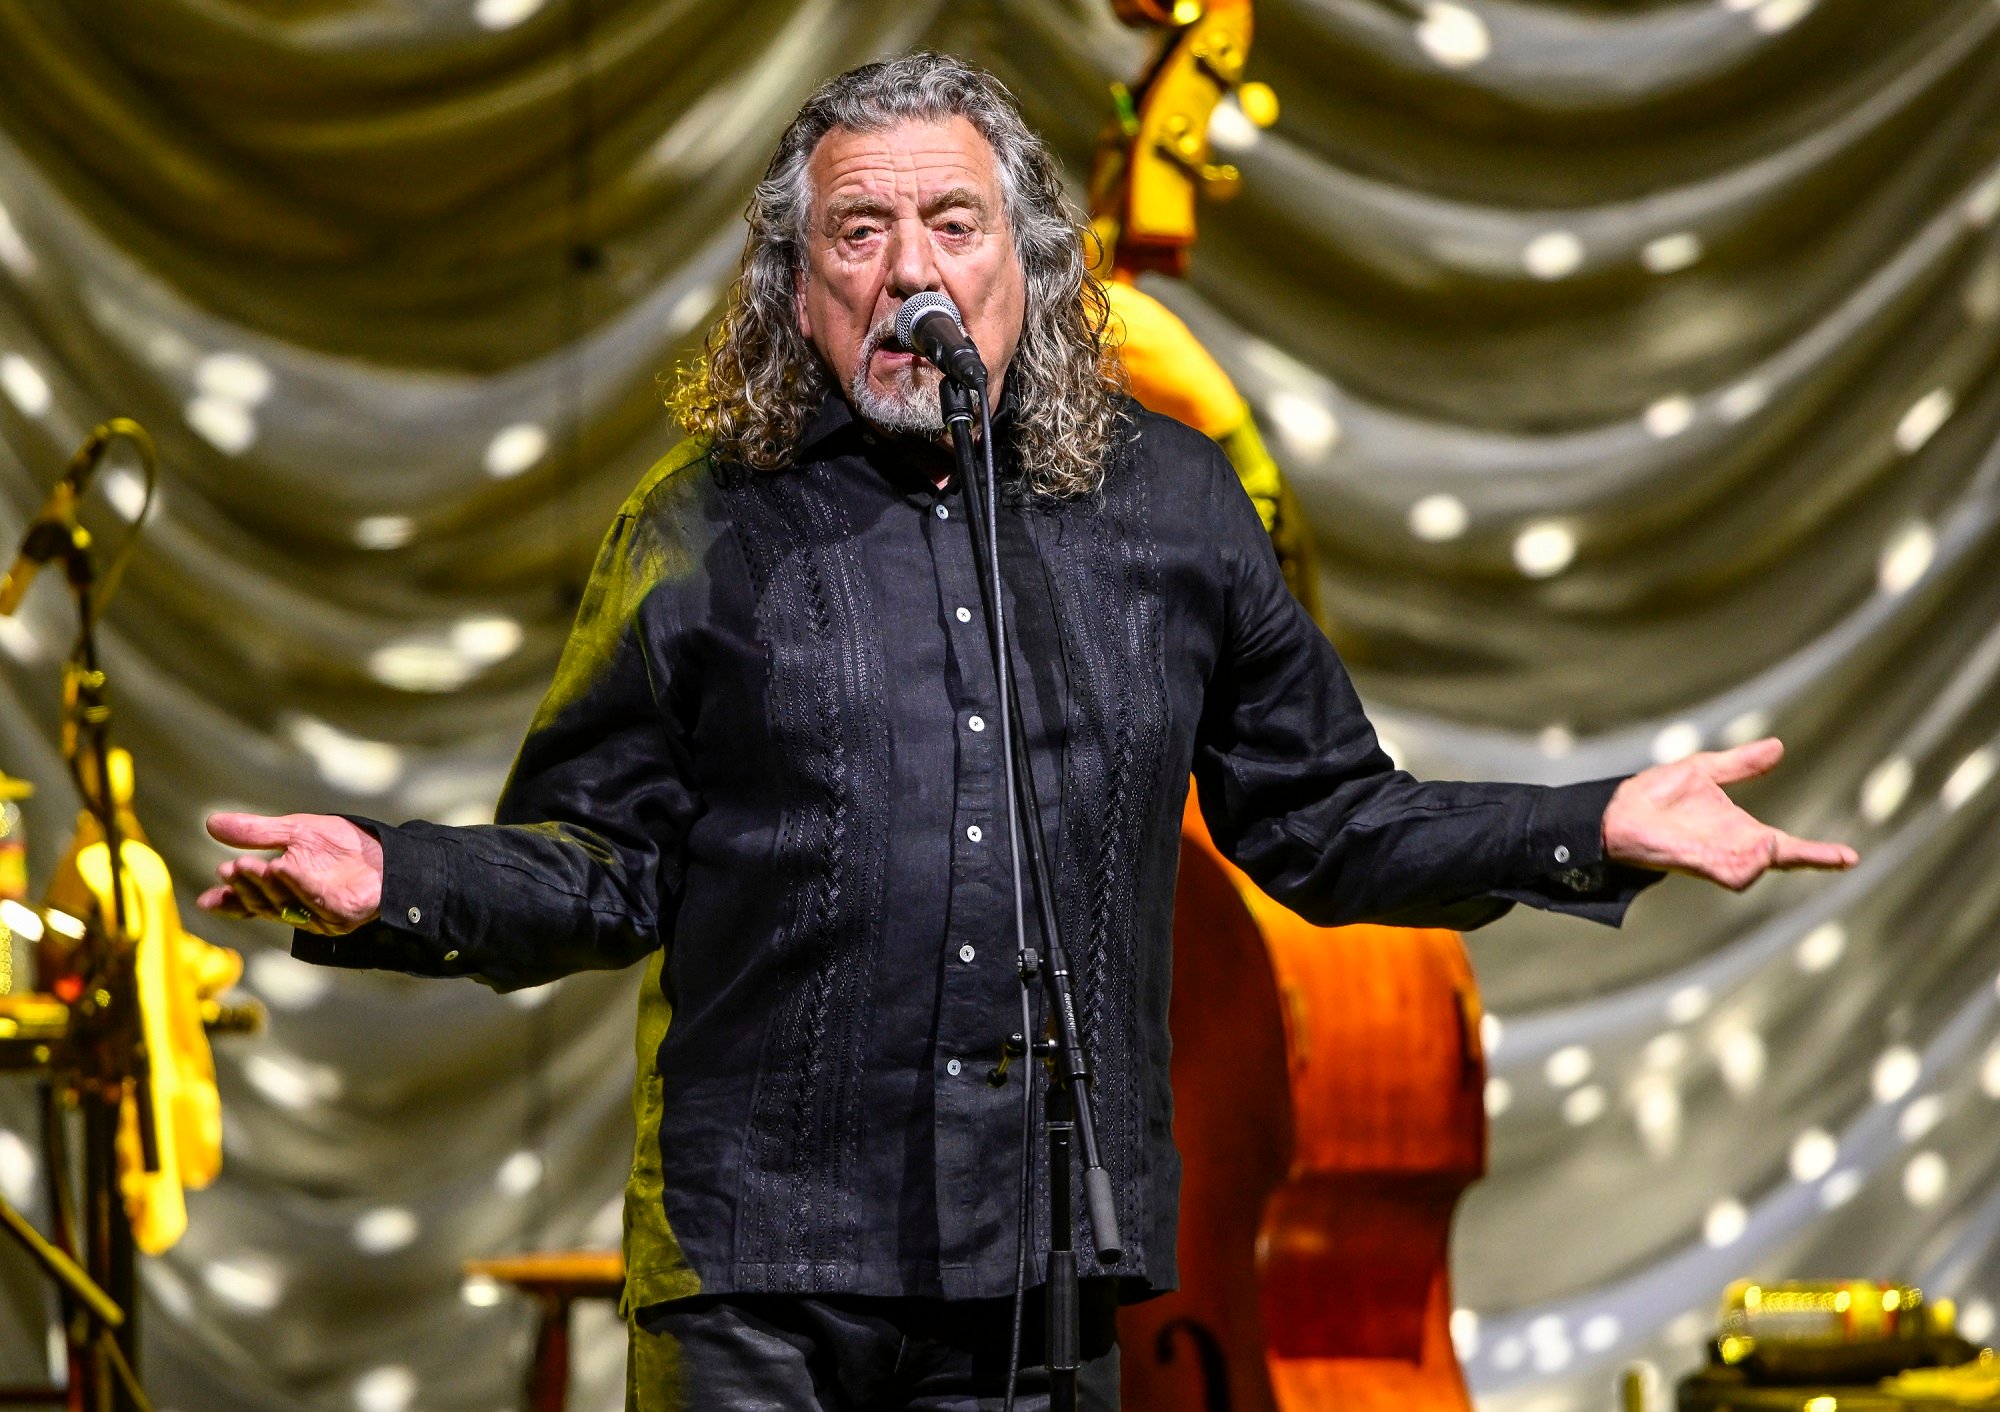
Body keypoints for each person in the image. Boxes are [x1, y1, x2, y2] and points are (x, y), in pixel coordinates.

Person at [198, 52, 1857, 1412]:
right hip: (760, 1279)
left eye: (950, 222)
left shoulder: (1173, 511)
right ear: (796, 286)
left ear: (1030, 264)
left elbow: (1330, 825)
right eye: (858, 231)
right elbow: (604, 866)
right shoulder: (703, 527)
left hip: (1046, 1266)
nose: (909, 268)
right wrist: (391, 876)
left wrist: (1594, 822)